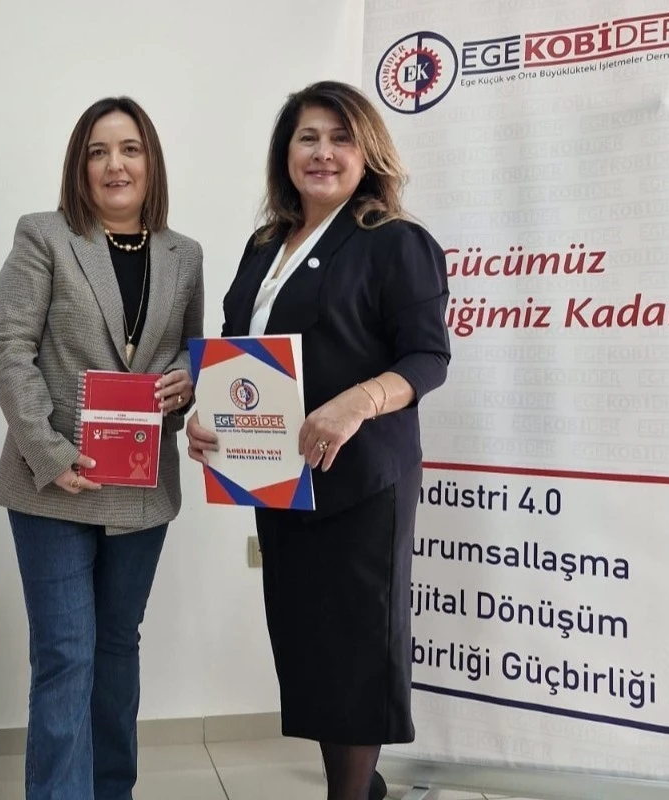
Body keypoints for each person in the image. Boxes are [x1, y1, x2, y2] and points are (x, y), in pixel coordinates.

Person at [186, 80, 450, 800]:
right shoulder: (265, 245)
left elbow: (428, 358)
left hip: (362, 480)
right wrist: (210, 418)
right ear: (286, 153)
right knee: (311, 641)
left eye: (340, 138)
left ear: (368, 153)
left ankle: (350, 794)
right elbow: (238, 352)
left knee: (357, 644)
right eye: (308, 137)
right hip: (278, 477)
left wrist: (356, 404)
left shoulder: (395, 241)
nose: (323, 152)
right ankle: (362, 788)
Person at [0, 96, 204, 800]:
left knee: (116, 649)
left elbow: (192, 352)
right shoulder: (44, 236)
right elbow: (10, 349)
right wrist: (49, 452)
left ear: (151, 162)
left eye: (130, 149)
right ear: (79, 166)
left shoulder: (184, 254)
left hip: (141, 487)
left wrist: (187, 381)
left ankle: (113, 790)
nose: (115, 165)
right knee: (65, 654)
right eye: (98, 151)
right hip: (55, 483)